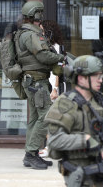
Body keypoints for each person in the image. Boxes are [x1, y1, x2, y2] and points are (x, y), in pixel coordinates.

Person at [45, 55, 103, 186]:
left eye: (101, 76)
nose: (101, 80)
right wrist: (86, 140)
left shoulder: (102, 101)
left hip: (102, 174)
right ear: (81, 78)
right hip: (78, 175)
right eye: (96, 76)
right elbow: (54, 141)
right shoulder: (65, 104)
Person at [18, 1, 65, 170]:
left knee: (35, 118)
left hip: (32, 81)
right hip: (37, 82)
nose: (41, 16)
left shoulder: (22, 32)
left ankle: (31, 155)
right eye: (40, 13)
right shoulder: (31, 34)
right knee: (46, 116)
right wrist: (61, 58)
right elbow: (44, 55)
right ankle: (31, 153)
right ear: (36, 14)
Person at [38, 20, 65, 158]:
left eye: (43, 30)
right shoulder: (42, 45)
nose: (40, 32)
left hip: (52, 85)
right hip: (43, 85)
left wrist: (55, 89)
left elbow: (57, 71)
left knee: (51, 118)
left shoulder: (56, 47)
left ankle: (50, 147)